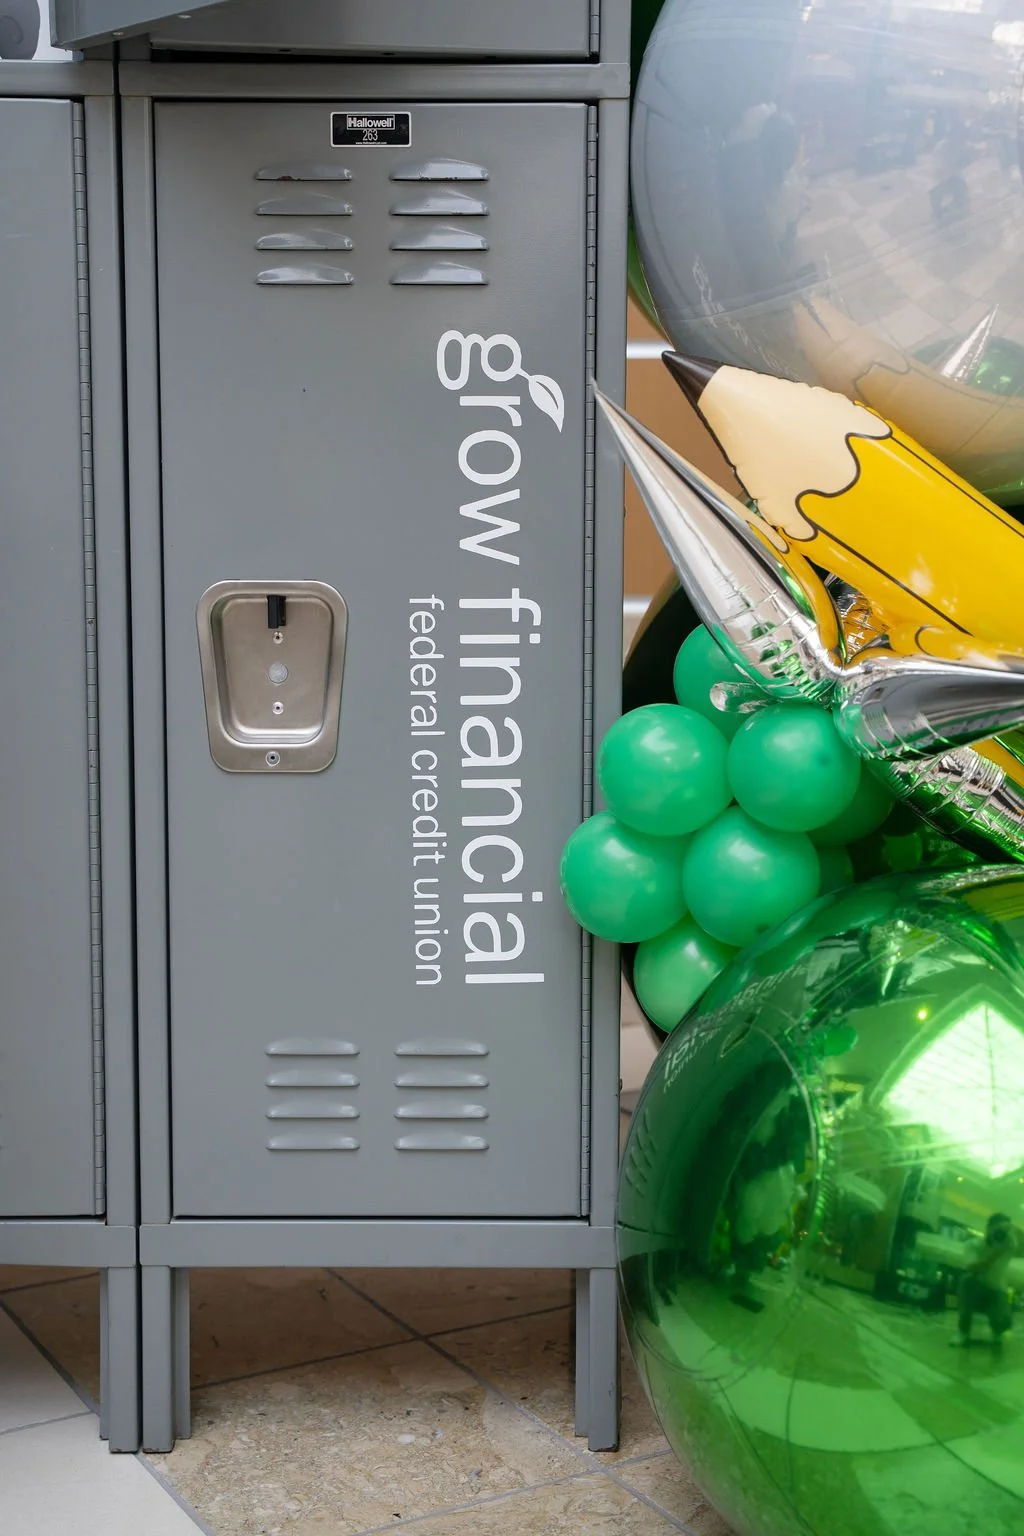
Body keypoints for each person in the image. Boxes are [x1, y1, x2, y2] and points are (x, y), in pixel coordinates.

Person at [953, 1213, 1020, 1346]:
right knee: (967, 1280)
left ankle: (997, 1331)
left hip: (997, 1291)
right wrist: (998, 1251)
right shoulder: (974, 1245)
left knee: (1004, 1322)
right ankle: (963, 1331)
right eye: (997, 1229)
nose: (999, 1233)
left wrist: (1013, 1232)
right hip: (977, 1290)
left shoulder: (1009, 1244)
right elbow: (973, 1268)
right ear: (988, 1228)